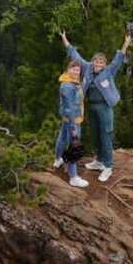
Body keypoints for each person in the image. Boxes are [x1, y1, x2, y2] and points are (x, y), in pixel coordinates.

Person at [61, 31, 130, 182]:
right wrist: (65, 40)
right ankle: (98, 160)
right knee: (96, 135)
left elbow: (118, 60)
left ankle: (108, 166)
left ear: (105, 64)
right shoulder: (87, 68)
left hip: (105, 107)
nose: (98, 65)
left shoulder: (109, 71)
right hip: (92, 107)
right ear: (92, 62)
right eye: (96, 62)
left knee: (106, 135)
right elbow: (75, 56)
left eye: (101, 63)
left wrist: (125, 44)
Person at [53, 59, 89, 188]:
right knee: (74, 146)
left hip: (68, 118)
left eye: (78, 70)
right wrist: (73, 126)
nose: (76, 72)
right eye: (73, 69)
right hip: (73, 119)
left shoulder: (73, 81)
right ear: (68, 70)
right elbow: (69, 107)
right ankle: (73, 177)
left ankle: (57, 159)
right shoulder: (68, 86)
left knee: (62, 137)